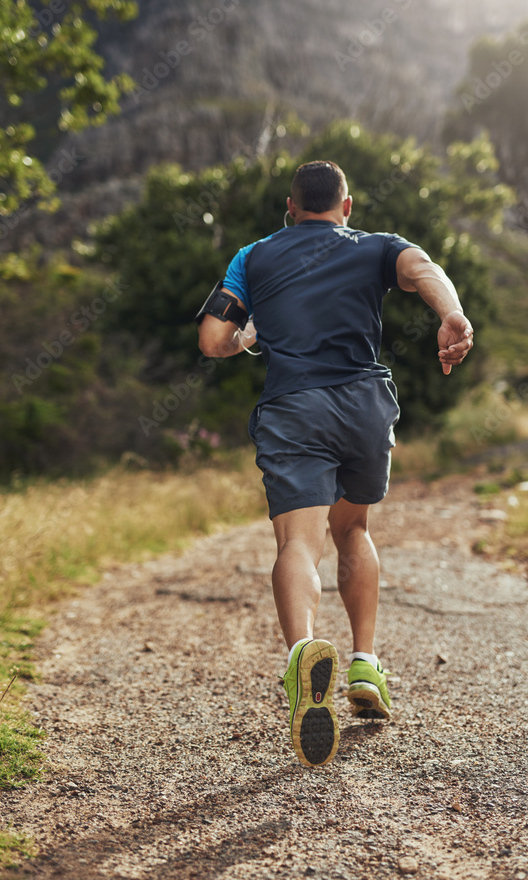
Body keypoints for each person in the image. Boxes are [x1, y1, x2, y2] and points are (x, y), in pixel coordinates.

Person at [196, 160, 473, 769]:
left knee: (299, 541)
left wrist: (252, 335)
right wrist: (451, 315)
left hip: (295, 407)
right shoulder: (376, 246)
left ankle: (303, 654)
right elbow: (423, 268)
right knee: (354, 529)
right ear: (346, 207)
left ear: (290, 207)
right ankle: (365, 664)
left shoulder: (254, 255)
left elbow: (214, 341)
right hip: (364, 407)